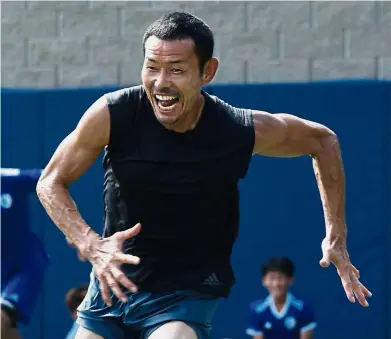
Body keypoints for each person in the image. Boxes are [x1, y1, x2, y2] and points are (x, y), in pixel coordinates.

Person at [36, 11, 372, 339]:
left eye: (177, 70)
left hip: (183, 295)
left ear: (207, 72)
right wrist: (91, 244)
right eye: (151, 67)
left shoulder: (235, 129)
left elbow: (323, 141)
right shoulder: (114, 114)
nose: (161, 83)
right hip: (112, 286)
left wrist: (336, 235)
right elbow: (50, 181)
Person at [1, 168, 50, 339]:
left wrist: (73, 230)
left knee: (1, 318)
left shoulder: (12, 179)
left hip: (24, 264)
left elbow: (54, 175)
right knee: (7, 331)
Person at [246, 257, 316, 339]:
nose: (276, 284)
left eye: (280, 278)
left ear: (290, 280)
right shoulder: (257, 309)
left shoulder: (303, 308)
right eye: (271, 278)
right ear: (264, 281)